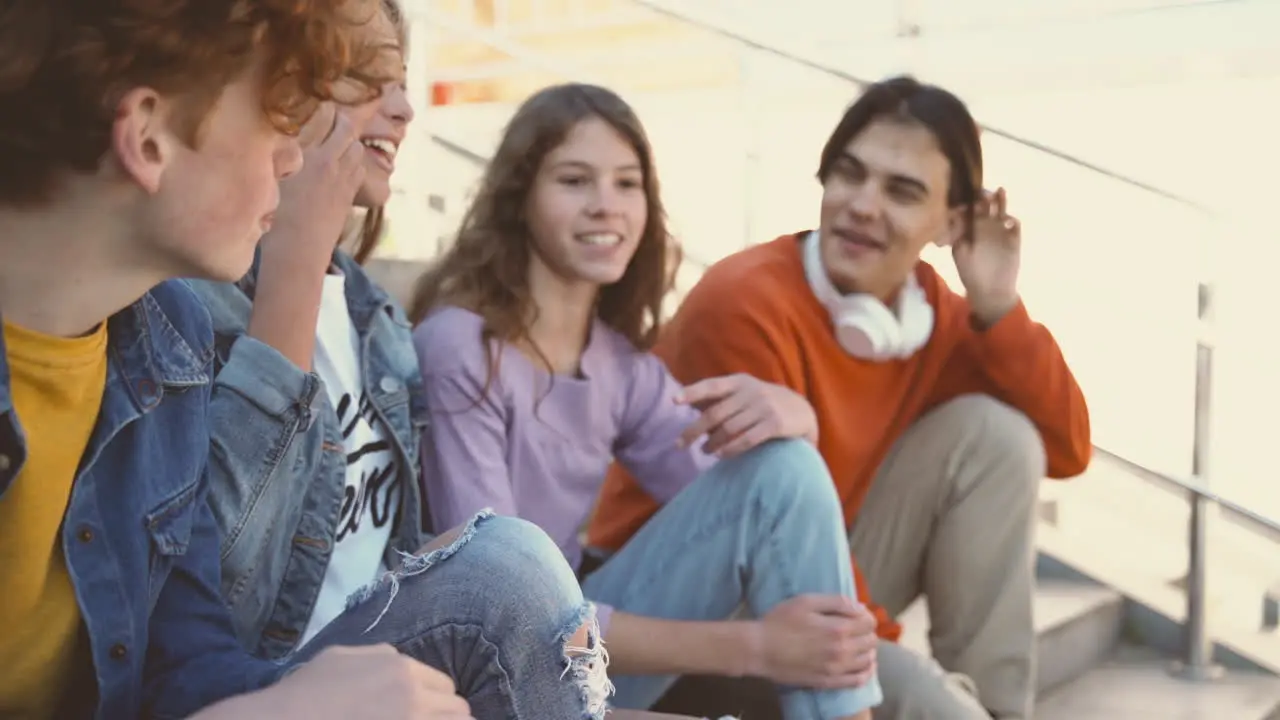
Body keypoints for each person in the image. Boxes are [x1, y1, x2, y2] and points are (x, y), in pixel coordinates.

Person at [0, 0, 607, 718]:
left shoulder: (165, 337)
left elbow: (190, 666)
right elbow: (237, 619)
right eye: (279, 114)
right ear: (148, 137)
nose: (293, 154)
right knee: (511, 574)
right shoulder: (199, 319)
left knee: (504, 581)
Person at [586, 76, 1093, 720]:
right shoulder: (748, 301)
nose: (862, 204)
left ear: (953, 222)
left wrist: (998, 309)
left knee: (997, 435)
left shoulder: (928, 313)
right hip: (686, 613)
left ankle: (996, 708)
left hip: (818, 568)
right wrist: (895, 665)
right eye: (849, 175)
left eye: (902, 191)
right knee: (916, 699)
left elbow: (1065, 450)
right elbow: (775, 520)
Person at [185, 1, 619, 718]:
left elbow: (398, 566)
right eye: (366, 77)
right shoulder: (194, 304)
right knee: (510, 565)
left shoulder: (375, 316)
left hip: (395, 671)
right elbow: (214, 599)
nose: (407, 108)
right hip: (272, 689)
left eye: (404, 80)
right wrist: (296, 254)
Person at [408, 82, 882, 720]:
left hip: (576, 655)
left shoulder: (618, 365)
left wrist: (800, 420)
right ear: (519, 199)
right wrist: (759, 647)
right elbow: (506, 610)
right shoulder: (462, 349)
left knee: (787, 465)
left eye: (627, 184)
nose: (607, 206)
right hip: (477, 677)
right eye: (575, 181)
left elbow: (764, 503)